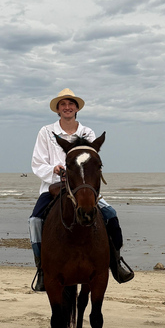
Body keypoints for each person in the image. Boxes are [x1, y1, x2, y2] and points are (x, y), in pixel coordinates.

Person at [28, 88, 134, 292]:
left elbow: (91, 162)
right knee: (34, 220)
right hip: (54, 186)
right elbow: (37, 162)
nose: (67, 107)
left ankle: (116, 263)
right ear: (58, 110)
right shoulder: (45, 132)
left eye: (71, 104)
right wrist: (55, 169)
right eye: (63, 105)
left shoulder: (87, 133)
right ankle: (42, 269)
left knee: (111, 214)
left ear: (76, 108)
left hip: (81, 188)